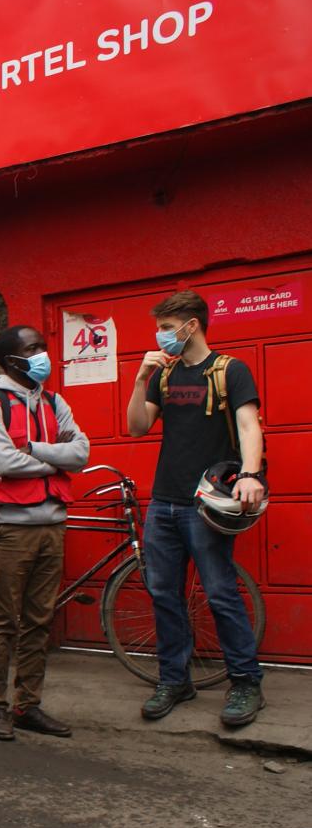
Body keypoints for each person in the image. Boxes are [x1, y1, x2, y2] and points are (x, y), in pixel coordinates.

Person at [126, 290, 266, 726]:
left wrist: (249, 474)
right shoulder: (163, 376)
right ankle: (175, 679)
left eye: (167, 328)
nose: (161, 336)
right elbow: (135, 428)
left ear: (192, 326)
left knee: (221, 593)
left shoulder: (229, 371)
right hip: (163, 504)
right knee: (164, 595)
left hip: (204, 506)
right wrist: (138, 379)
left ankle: (245, 683)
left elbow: (248, 425)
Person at [0, 325, 90, 741]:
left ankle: (27, 705)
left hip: (52, 525)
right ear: (10, 360)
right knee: (4, 620)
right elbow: (2, 463)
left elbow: (82, 453)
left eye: (42, 346)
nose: (42, 355)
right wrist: (58, 461)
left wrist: (37, 451)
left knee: (40, 620)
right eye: (32, 349)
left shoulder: (55, 402)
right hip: (10, 529)